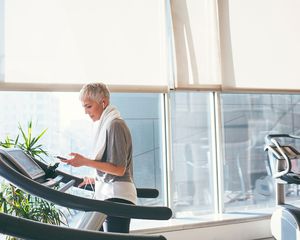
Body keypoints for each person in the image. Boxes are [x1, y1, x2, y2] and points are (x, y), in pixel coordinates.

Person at [60, 82, 137, 233]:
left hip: (117, 195)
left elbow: (119, 169)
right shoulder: (107, 124)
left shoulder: (115, 125)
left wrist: (84, 162)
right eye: (84, 107)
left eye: (88, 106)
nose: (86, 112)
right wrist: (95, 179)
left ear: (103, 102)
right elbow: (112, 165)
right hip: (108, 193)